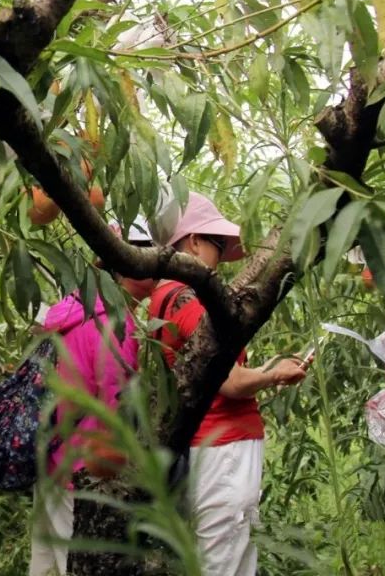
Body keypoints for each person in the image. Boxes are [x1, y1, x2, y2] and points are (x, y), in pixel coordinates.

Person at [148, 192, 307, 576]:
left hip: (212, 444)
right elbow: (232, 384)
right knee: (224, 558)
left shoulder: (165, 297)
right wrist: (274, 375)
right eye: (217, 245)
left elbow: (215, 374)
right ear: (194, 242)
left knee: (227, 552)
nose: (220, 258)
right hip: (224, 445)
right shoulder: (187, 297)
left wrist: (264, 370)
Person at [29, 218, 156, 576]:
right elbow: (116, 411)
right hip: (82, 476)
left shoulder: (72, 309)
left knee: (44, 566)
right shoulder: (116, 325)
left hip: (50, 463)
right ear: (128, 262)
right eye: (152, 255)